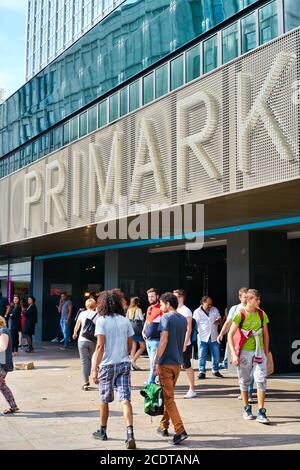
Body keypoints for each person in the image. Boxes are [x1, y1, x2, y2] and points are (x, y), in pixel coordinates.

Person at [91, 290, 136, 449]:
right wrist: (124, 353)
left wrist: (94, 369)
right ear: (117, 303)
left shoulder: (102, 321)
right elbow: (130, 344)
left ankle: (102, 431)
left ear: (102, 304)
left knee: (104, 399)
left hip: (107, 365)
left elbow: (100, 346)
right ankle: (130, 434)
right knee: (125, 399)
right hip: (123, 363)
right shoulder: (125, 321)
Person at [228, 289, 270, 424]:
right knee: (244, 381)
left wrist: (266, 352)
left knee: (261, 379)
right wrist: (234, 354)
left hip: (259, 352)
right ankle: (246, 408)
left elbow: (266, 335)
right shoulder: (240, 314)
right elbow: (230, 335)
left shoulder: (262, 314)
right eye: (257, 299)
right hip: (245, 352)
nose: (259, 301)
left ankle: (261, 411)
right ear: (250, 300)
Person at [154, 292, 188, 445]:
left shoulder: (166, 317)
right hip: (177, 363)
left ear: (168, 304)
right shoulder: (182, 319)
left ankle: (180, 430)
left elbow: (164, 340)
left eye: (161, 304)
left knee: (168, 398)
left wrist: (156, 361)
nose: (161, 307)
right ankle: (163, 425)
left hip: (165, 363)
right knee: (169, 398)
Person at [173, 289, 197, 398]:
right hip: (174, 342)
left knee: (187, 365)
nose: (174, 299)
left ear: (181, 297)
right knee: (174, 366)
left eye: (176, 296)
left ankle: (192, 389)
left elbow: (189, 329)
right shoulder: (174, 310)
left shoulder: (186, 311)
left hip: (183, 343)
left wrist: (185, 343)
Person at [217, 287, 248, 369]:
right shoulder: (235, 309)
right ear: (240, 297)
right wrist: (221, 334)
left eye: (248, 297)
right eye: (245, 297)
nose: (247, 299)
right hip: (236, 339)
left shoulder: (254, 309)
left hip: (249, 339)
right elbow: (228, 322)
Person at [193, 296, 223, 379]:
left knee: (216, 355)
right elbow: (194, 325)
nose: (210, 306)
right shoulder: (197, 312)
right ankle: (202, 371)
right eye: (208, 304)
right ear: (203, 303)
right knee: (202, 355)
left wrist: (219, 320)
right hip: (203, 337)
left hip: (214, 336)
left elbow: (220, 320)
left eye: (211, 304)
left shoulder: (215, 309)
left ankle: (215, 371)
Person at [72, 298, 98, 390]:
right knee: (92, 359)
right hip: (93, 341)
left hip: (82, 340)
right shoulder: (97, 315)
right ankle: (94, 374)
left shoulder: (82, 314)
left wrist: (75, 333)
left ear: (86, 305)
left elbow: (77, 325)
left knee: (84, 361)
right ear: (95, 305)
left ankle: (86, 382)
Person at [142, 288, 163, 384]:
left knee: (153, 363)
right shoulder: (149, 308)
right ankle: (156, 379)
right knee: (152, 362)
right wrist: (143, 331)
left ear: (157, 296)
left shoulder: (161, 308)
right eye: (149, 297)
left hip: (156, 340)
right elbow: (147, 321)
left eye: (152, 296)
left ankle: (150, 381)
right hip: (148, 340)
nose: (150, 298)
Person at [0, 315, 19, 414]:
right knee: (2, 385)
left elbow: (3, 347)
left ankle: (13, 406)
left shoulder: (3, 331)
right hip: (3, 363)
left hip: (2, 364)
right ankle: (13, 406)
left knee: (2, 385)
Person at [126, 297, 145, 371]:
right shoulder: (138, 309)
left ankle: (131, 363)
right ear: (137, 302)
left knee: (133, 346)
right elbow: (141, 319)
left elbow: (126, 319)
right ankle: (133, 361)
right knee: (142, 346)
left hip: (131, 329)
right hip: (137, 330)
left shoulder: (128, 310)